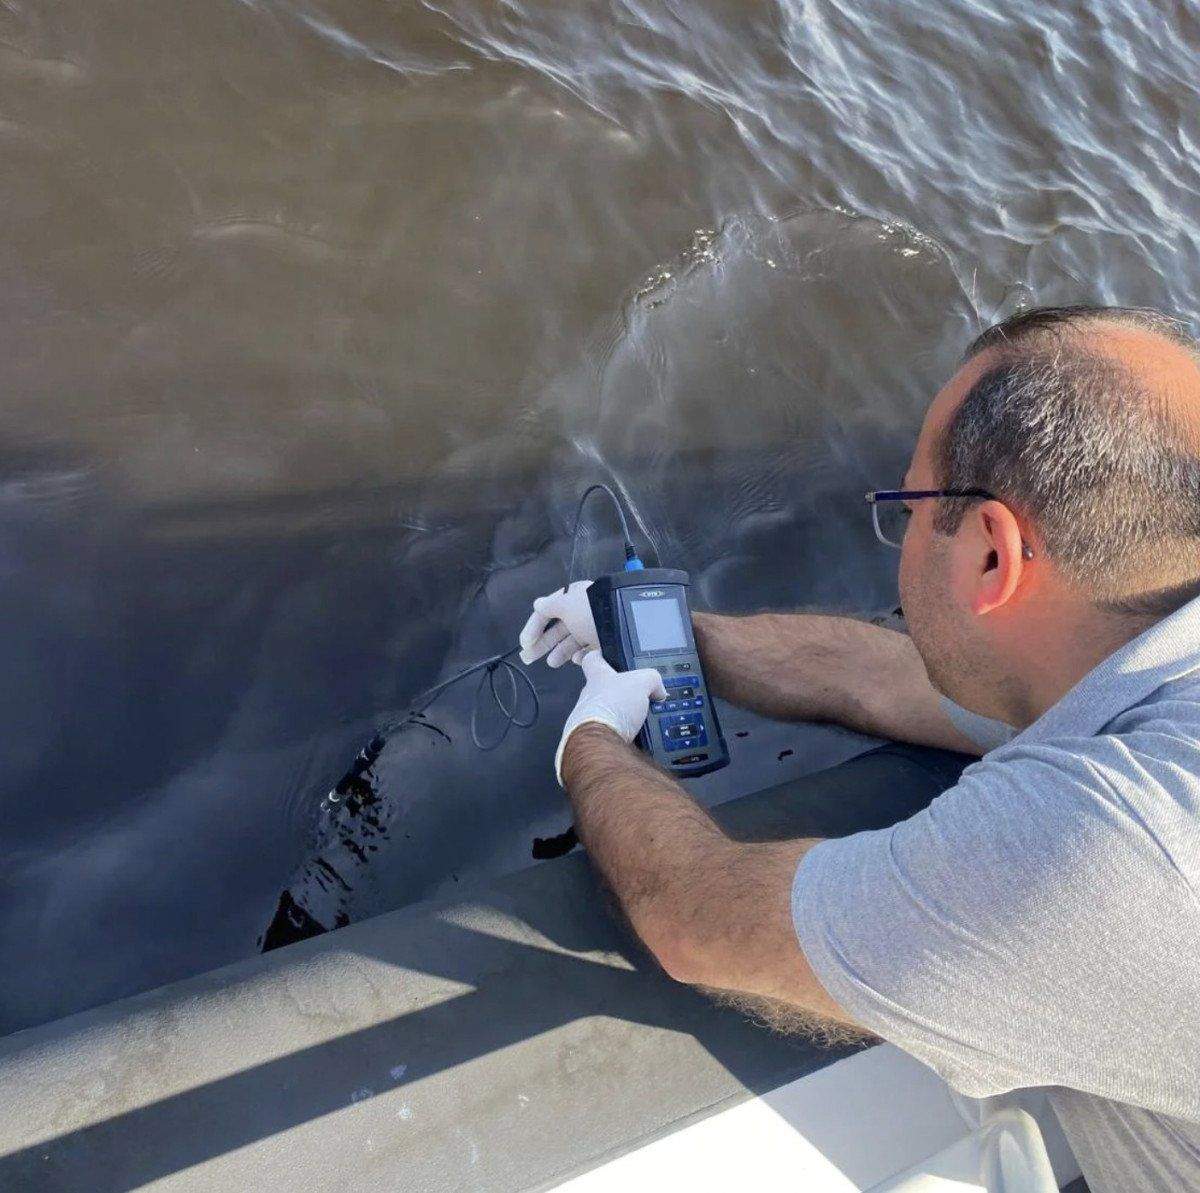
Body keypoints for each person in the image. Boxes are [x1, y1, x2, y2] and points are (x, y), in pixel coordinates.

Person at [518, 305, 1200, 1193]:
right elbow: (894, 682)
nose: (901, 533)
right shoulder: (1150, 642)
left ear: (993, 556)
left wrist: (593, 739)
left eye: (908, 508)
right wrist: (676, 640)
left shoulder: (1110, 847)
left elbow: (700, 917)